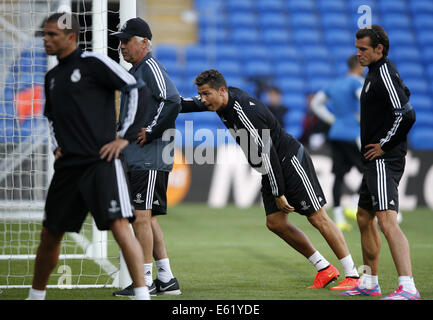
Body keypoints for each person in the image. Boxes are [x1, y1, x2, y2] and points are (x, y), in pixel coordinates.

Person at [172, 69, 360, 291]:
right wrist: (160, 98)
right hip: (271, 166)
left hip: (289, 161)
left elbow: (267, 152)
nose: (203, 100)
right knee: (276, 223)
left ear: (221, 91)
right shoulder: (220, 99)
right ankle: (324, 268)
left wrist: (278, 192)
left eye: (206, 94)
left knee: (318, 217)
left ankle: (353, 275)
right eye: (201, 95)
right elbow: (186, 104)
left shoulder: (244, 112)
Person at [28, 13, 150, 300]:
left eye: (52, 35)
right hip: (69, 167)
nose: (45, 39)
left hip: (102, 163)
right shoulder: (52, 77)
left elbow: (135, 89)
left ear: (70, 37)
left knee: (121, 226)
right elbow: (51, 118)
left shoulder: (94, 63)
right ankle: (35, 296)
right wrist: (57, 145)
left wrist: (124, 137)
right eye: (44, 34)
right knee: (50, 234)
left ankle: (142, 295)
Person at [341, 25, 419, 300]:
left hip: (385, 159)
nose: (358, 53)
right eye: (357, 48)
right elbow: (403, 95)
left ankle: (408, 287)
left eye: (362, 49)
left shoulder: (384, 71)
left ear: (379, 50)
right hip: (371, 160)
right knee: (364, 217)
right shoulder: (375, 73)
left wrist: (384, 145)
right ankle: (370, 281)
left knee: (387, 221)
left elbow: (406, 115)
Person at [111, 17, 181, 297]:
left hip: (149, 155)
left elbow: (172, 99)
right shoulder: (137, 70)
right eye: (120, 41)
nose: (121, 46)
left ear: (144, 42)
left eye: (126, 41)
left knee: (140, 215)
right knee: (146, 217)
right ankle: (166, 279)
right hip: (139, 156)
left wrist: (150, 132)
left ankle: (145, 280)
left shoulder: (150, 67)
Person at [310, 56, 365, 231]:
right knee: (369, 171)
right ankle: (353, 202)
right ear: (360, 66)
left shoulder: (334, 84)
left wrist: (332, 119)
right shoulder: (357, 83)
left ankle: (339, 217)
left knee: (339, 175)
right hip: (352, 134)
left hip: (336, 133)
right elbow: (365, 101)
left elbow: (315, 103)